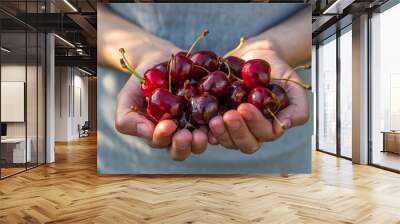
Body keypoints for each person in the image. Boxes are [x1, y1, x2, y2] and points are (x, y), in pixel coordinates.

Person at [98, 3, 311, 161]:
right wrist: (141, 50)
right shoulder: (173, 88)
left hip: (280, 160)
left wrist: (277, 47)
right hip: (132, 158)